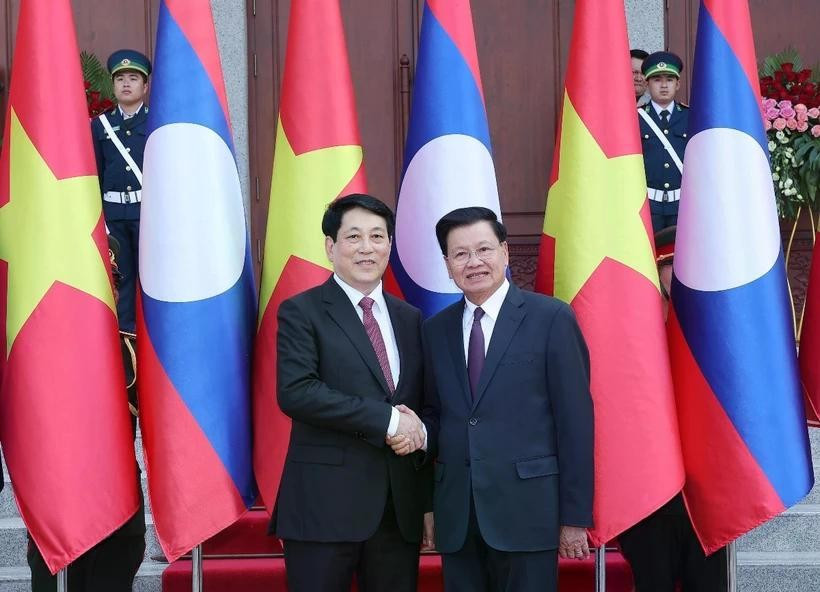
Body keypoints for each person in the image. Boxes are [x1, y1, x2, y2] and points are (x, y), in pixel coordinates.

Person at [404, 206, 594, 592]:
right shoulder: (435, 330)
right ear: (447, 264)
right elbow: (435, 415)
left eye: (484, 250)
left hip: (530, 511)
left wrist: (574, 517)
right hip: (459, 514)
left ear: (505, 253)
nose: (473, 262)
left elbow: (575, 422)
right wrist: (418, 438)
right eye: (460, 254)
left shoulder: (551, 318)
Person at [271, 194, 433, 592]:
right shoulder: (301, 311)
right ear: (330, 246)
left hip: (398, 512)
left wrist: (426, 497)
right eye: (354, 236)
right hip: (324, 507)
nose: (367, 248)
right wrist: (388, 420)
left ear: (390, 245)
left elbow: (422, 405)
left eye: (378, 236)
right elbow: (297, 392)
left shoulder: (409, 317)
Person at [26, 235, 146, 591]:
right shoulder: (39, 352)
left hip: (118, 509)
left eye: (111, 282)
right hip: (58, 503)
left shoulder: (131, 352)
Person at [618, 225, 728, 591]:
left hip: (706, 494)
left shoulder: (720, 323)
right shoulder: (632, 327)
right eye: (671, 264)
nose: (680, 273)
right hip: (648, 495)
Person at [91, 49, 151, 333]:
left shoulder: (156, 123)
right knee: (122, 281)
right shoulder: (99, 126)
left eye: (133, 78)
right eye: (120, 79)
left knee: (153, 279)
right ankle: (128, 345)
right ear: (113, 85)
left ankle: (155, 344)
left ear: (145, 86)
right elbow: (96, 174)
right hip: (114, 216)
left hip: (149, 215)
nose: (126, 84)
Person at [638, 51, 690, 233]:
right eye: (657, 80)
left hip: (683, 207)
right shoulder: (635, 118)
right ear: (647, 84)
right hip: (647, 207)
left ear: (678, 84)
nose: (664, 85)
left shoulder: (691, 117)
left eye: (669, 79)